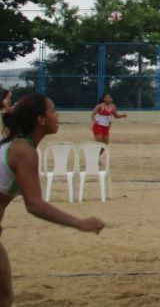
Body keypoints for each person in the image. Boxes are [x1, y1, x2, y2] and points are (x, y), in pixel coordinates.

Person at [0, 94, 105, 305]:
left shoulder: (17, 145)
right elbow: (34, 204)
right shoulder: (24, 151)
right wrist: (79, 222)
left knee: (4, 296)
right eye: (53, 110)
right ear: (40, 119)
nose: (58, 115)